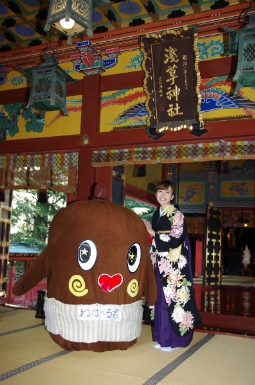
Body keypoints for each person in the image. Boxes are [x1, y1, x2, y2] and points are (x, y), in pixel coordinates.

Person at [143, 180, 202, 352]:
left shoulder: (176, 214)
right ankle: (163, 339)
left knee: (174, 301)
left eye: (167, 192)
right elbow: (154, 240)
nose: (163, 195)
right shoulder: (156, 214)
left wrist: (153, 233)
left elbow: (176, 238)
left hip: (174, 265)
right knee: (160, 300)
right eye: (160, 192)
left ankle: (175, 341)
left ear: (173, 196)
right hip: (160, 262)